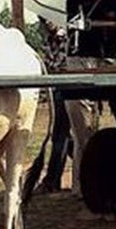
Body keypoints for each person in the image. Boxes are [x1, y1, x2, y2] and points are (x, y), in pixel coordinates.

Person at [36, 17, 72, 193]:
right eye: (43, 20)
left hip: (69, 87)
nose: (46, 23)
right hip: (57, 88)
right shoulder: (49, 40)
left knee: (60, 134)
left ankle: (52, 179)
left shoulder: (68, 37)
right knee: (65, 136)